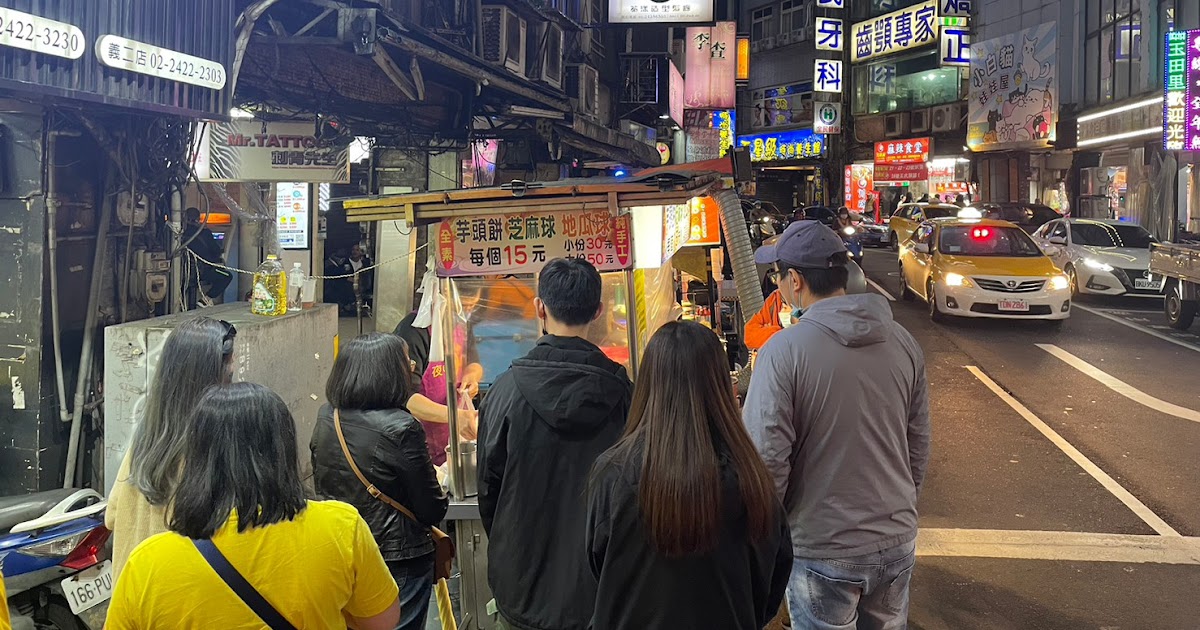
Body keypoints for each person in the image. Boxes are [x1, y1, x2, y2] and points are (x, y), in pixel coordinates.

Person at [742, 220, 930, 630]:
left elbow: (766, 460)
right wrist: (898, 508)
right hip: (896, 538)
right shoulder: (903, 342)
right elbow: (918, 445)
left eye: (778, 276)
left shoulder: (784, 352)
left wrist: (765, 540)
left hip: (822, 547)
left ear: (794, 280)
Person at [106, 383, 401, 629]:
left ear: (197, 459)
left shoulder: (148, 563)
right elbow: (382, 621)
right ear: (282, 449)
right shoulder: (341, 528)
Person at [587, 321, 792, 630]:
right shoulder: (750, 476)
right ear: (724, 387)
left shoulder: (613, 473)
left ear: (648, 385)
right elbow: (773, 577)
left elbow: (597, 568)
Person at [477, 258, 633, 630]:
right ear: (597, 311)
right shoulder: (624, 394)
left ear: (539, 307)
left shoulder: (504, 391)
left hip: (522, 587)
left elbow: (488, 490)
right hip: (601, 590)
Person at [311, 333, 449, 630]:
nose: (412, 366)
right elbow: (431, 509)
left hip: (342, 549)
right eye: (406, 361)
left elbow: (324, 484)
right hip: (397, 558)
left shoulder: (328, 416)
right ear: (388, 372)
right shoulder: (401, 427)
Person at [106, 316, 237, 582]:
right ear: (216, 377)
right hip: (174, 600)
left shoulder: (145, 440)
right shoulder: (211, 451)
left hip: (132, 600)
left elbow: (112, 516)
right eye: (230, 368)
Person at [182, 207, 232, 307]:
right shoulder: (204, 233)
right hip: (202, 272)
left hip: (182, 273)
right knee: (227, 276)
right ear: (199, 219)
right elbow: (216, 251)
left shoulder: (179, 233)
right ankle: (206, 299)